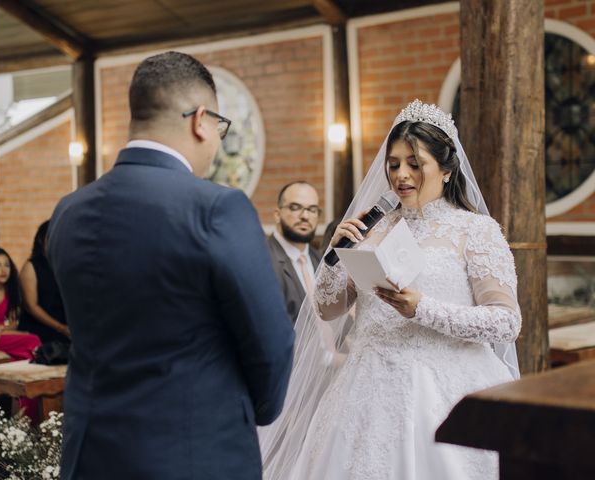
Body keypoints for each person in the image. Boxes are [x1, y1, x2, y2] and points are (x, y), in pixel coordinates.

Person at [47, 51, 295, 480]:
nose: (216, 141)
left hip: (90, 455)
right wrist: (249, 410)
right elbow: (272, 344)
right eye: (219, 127)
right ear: (201, 120)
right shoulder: (216, 208)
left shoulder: (68, 213)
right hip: (194, 453)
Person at [259, 99, 521, 480]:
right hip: (365, 392)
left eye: (415, 164)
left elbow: (505, 323)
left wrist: (422, 308)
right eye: (394, 163)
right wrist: (335, 254)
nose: (401, 175)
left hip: (444, 391)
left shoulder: (475, 232)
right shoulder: (372, 228)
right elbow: (328, 308)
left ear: (446, 171)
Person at [267, 181, 322, 323]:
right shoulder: (263, 258)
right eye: (295, 208)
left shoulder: (321, 260)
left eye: (312, 209)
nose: (305, 216)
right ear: (277, 214)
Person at [19, 220, 70, 344]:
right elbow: (31, 307)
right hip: (40, 328)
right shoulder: (31, 267)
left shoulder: (65, 265)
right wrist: (60, 328)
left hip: (66, 328)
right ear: (41, 240)